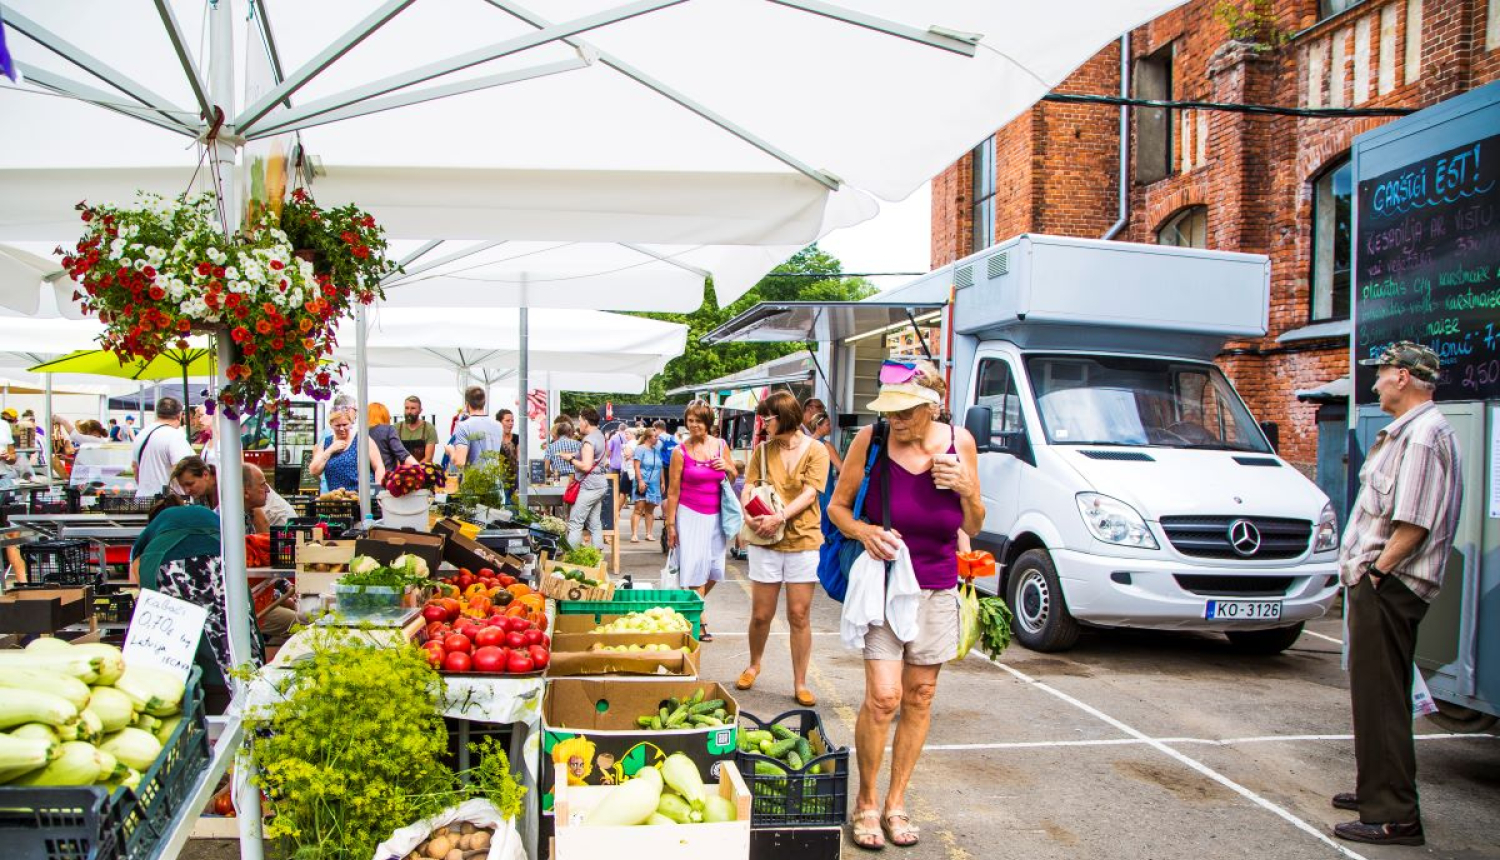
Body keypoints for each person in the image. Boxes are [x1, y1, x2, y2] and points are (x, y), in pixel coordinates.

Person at [826, 359, 984, 850]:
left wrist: (967, 489)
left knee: (920, 696)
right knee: (884, 697)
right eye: (889, 411)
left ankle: (896, 802)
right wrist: (864, 532)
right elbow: (837, 507)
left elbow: (974, 524)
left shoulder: (961, 444)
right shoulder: (870, 440)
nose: (895, 420)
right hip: (884, 583)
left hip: (937, 584)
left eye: (905, 412)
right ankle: (866, 802)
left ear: (932, 407)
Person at [1332, 342, 1463, 847]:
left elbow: (1414, 524)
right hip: (1384, 584)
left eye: (1382, 373)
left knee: (1383, 698)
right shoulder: (1409, 432)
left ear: (1403, 377)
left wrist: (1377, 574)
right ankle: (1376, 789)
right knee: (1376, 695)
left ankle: (1393, 814)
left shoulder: (1424, 436)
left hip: (1391, 586)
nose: (1375, 383)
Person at [736, 392, 830, 707]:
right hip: (766, 539)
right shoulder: (763, 450)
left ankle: (800, 682)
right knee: (761, 613)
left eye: (768, 418)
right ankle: (754, 664)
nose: (763, 424)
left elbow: (811, 494)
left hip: (803, 539)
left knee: (799, 614)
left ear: (783, 417)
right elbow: (748, 487)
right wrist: (748, 514)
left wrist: (780, 517)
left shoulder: (817, 450)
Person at [663, 401, 737, 642]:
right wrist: (670, 525)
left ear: (708, 422)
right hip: (689, 515)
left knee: (715, 570)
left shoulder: (721, 446)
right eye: (690, 420)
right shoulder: (679, 452)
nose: (693, 425)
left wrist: (727, 467)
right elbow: (673, 491)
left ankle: (691, 607)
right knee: (696, 569)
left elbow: (733, 477)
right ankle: (700, 620)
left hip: (716, 516)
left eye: (698, 420)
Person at [131, 396, 197, 498]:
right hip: (168, 501)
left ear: (157, 413)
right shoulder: (174, 436)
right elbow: (182, 469)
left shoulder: (141, 434)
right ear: (179, 415)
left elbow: (135, 468)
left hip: (143, 499)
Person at [563, 408, 610, 549]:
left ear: (585, 421)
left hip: (589, 486)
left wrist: (570, 460)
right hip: (600, 484)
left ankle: (572, 557)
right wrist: (573, 455)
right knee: (594, 524)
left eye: (580, 421)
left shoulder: (588, 440)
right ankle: (597, 556)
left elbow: (586, 466)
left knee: (575, 523)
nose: (579, 425)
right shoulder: (600, 435)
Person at [309, 409, 384, 492]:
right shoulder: (326, 442)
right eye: (337, 425)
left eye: (345, 425)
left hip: (363, 495)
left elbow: (378, 466)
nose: (341, 428)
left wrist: (379, 491)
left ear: (351, 424)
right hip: (337, 496)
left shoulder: (362, 439)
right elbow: (314, 471)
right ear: (331, 425)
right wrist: (330, 450)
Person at [449, 387, 510, 479]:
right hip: (495, 482)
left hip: (474, 483)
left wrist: (450, 450)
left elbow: (460, 462)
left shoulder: (463, 426)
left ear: (467, 404)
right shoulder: (498, 425)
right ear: (484, 402)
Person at [630, 425, 666, 542]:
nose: (657, 439)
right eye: (655, 437)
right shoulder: (640, 449)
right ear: (648, 438)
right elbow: (636, 466)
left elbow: (660, 467)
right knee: (638, 509)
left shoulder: (657, 450)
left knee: (650, 510)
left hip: (654, 484)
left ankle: (649, 534)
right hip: (643, 482)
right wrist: (640, 480)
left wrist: (662, 482)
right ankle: (634, 534)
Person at [367, 402, 419, 475]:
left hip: (364, 480)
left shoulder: (360, 435)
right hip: (386, 478)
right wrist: (421, 470)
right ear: (385, 416)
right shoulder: (388, 430)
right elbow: (403, 455)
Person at [397, 396, 439, 463]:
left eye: (413, 408)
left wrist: (415, 468)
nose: (409, 411)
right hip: (400, 468)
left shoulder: (429, 428)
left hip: (422, 468)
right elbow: (394, 456)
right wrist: (401, 468)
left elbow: (428, 458)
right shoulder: (396, 428)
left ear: (420, 411)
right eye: (406, 408)